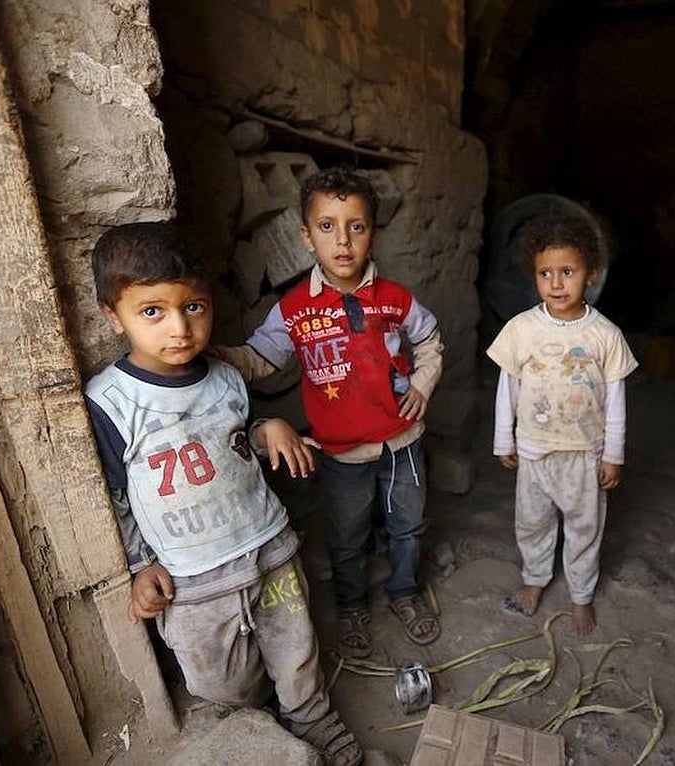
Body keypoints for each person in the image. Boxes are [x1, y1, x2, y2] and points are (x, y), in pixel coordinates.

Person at [84, 222, 363, 766]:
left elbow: (239, 436)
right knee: (223, 682)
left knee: (295, 648)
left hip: (268, 546)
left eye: (194, 307)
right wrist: (141, 566)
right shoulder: (112, 401)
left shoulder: (226, 375)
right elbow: (116, 497)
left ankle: (312, 718)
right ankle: (255, 724)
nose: (180, 328)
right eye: (152, 311)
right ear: (110, 314)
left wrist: (270, 430)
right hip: (193, 577)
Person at [212, 165, 443, 659]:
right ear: (305, 236)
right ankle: (353, 604)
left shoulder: (395, 299)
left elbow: (429, 339)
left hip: (404, 440)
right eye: (326, 227)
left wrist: (423, 384)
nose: (343, 241)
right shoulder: (295, 310)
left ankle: (404, 591)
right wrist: (211, 353)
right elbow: (260, 360)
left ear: (372, 233)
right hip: (343, 453)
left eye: (356, 226)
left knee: (408, 523)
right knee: (347, 534)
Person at [487, 212, 638, 635]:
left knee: (584, 528)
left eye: (567, 272)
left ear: (591, 273)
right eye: (545, 273)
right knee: (532, 523)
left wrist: (613, 455)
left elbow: (616, 400)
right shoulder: (521, 329)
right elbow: (508, 387)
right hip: (535, 452)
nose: (556, 284)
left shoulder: (605, 335)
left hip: (584, 456)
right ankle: (534, 579)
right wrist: (505, 440)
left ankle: (581, 595)